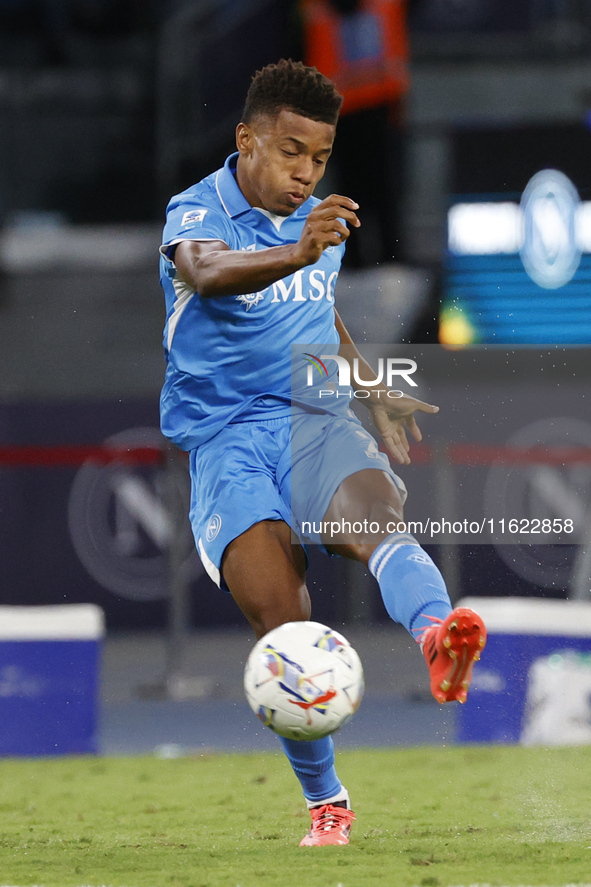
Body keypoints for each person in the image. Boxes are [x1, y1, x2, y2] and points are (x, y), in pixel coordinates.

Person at [158, 59, 486, 847]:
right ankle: (327, 801)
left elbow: (318, 311)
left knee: (376, 518)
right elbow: (204, 274)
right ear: (247, 139)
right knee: (283, 621)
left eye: (319, 155)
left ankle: (438, 637)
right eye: (289, 151)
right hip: (224, 438)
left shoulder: (320, 226)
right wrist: (299, 252)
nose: (305, 172)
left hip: (312, 414)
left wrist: (369, 386)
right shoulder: (196, 211)